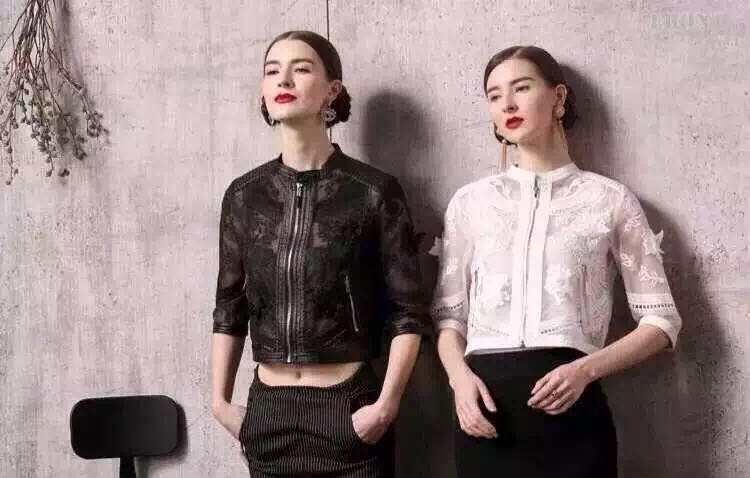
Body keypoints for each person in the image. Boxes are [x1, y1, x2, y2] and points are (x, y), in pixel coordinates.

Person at [432, 45, 682, 477]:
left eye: (521, 88)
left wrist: (585, 370)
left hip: (573, 414)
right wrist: (459, 381)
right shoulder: (469, 204)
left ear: (558, 98)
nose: (507, 104)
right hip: (483, 414)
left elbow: (661, 321)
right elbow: (449, 318)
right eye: (494, 95)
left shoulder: (609, 200)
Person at [210, 30, 428, 477]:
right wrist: (220, 403)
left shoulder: (373, 192)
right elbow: (229, 307)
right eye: (272, 71)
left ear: (332, 91)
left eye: (302, 68)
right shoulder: (244, 195)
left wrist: (385, 406)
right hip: (268, 413)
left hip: (348, 411)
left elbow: (408, 313)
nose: (284, 79)